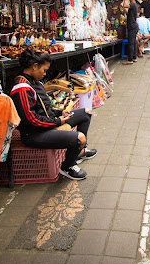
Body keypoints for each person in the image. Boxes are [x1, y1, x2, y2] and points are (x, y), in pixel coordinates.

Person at [10, 50, 96, 180]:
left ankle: (80, 152)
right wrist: (57, 122)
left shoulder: (34, 82)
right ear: (34, 66)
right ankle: (67, 167)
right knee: (79, 138)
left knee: (85, 113)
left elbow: (45, 107)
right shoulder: (21, 88)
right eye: (44, 70)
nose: (45, 74)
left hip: (48, 123)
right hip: (35, 134)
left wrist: (60, 113)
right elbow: (31, 119)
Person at [123, 0, 139, 65]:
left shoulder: (133, 4)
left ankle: (130, 59)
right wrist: (124, 10)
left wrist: (125, 0)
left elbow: (125, 5)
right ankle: (134, 57)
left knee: (131, 43)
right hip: (133, 26)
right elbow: (129, 14)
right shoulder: (134, 5)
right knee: (133, 43)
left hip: (132, 26)